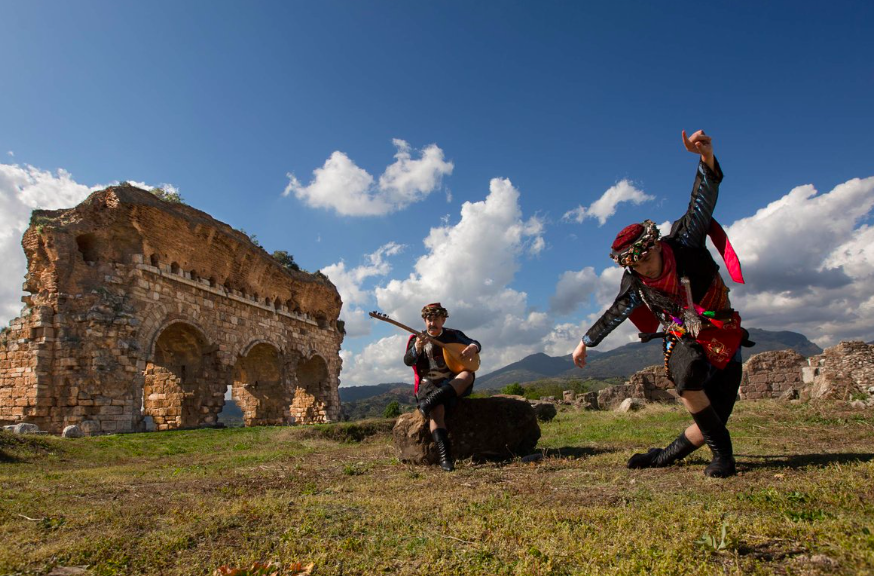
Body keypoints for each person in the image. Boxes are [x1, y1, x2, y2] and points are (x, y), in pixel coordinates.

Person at [572, 130, 750, 478]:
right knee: (687, 379)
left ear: (655, 245)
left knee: (710, 423)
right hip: (683, 338)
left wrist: (705, 158)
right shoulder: (636, 281)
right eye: (633, 265)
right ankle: (725, 458)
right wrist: (584, 343)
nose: (643, 267)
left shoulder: (685, 242)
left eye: (645, 259)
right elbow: (616, 312)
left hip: (725, 334)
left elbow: (702, 200)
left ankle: (661, 458)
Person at [404, 303, 481, 472]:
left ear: (443, 319)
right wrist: (417, 348)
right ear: (424, 320)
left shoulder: (454, 335)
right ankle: (445, 458)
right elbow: (408, 360)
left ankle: (430, 402)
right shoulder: (416, 339)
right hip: (429, 383)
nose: (432, 323)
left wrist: (473, 348)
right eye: (429, 319)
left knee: (467, 375)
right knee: (437, 412)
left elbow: (475, 343)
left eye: (436, 319)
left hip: (452, 382)